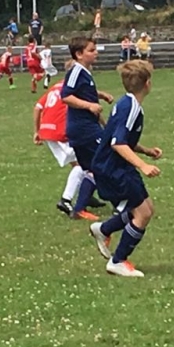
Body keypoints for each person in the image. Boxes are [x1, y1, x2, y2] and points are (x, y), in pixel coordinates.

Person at [87, 60, 163, 277]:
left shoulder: (127, 103)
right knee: (143, 214)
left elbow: (121, 138)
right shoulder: (131, 108)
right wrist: (143, 165)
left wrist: (146, 151)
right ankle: (118, 261)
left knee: (146, 208)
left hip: (117, 165)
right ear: (147, 83)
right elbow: (118, 143)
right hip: (113, 168)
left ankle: (103, 229)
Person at [62, 37, 115, 221]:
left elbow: (83, 93)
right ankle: (121, 204)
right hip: (84, 129)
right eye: (91, 50)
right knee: (106, 161)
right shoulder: (76, 71)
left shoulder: (84, 72)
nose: (96, 53)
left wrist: (100, 95)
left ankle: (81, 208)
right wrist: (89, 105)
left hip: (86, 127)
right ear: (79, 54)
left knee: (93, 168)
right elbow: (66, 96)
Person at [33, 65, 87, 216]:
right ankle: (66, 199)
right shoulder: (73, 89)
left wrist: (36, 131)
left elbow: (37, 107)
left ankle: (86, 194)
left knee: (77, 163)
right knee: (84, 164)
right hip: (60, 132)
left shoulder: (56, 86)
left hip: (47, 130)